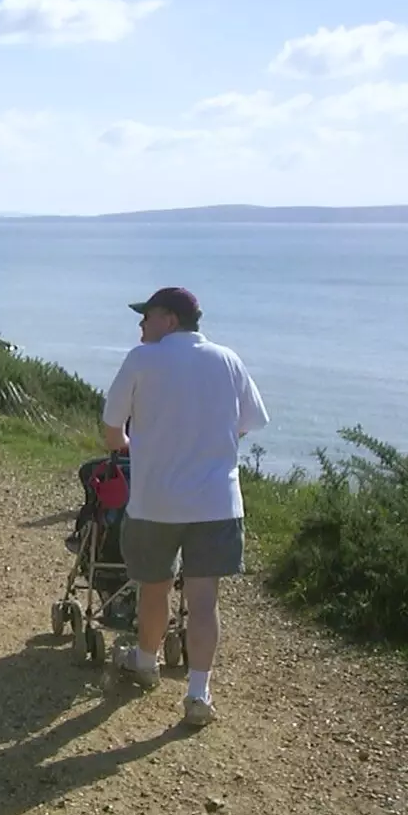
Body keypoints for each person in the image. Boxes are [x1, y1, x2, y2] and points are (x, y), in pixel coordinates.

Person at [100, 287, 269, 728]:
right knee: (203, 598)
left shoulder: (141, 360)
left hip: (155, 500)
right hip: (216, 501)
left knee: (153, 588)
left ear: (170, 321)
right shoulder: (227, 360)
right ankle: (197, 693)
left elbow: (112, 430)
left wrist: (132, 446)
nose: (141, 326)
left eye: (147, 317)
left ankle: (145, 661)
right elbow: (249, 423)